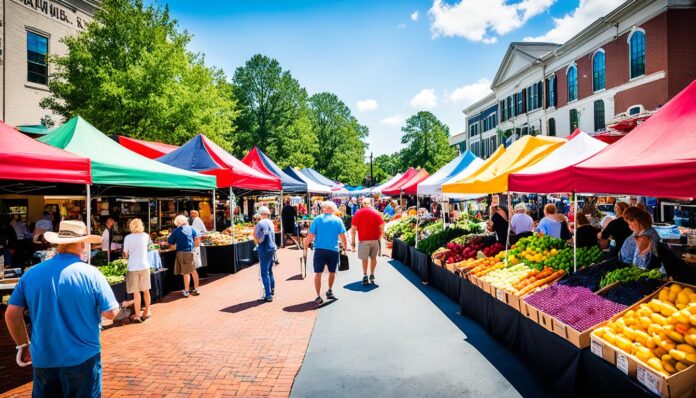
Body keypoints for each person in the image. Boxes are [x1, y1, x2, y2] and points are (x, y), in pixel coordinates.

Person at [5, 220, 120, 396]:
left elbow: (11, 314)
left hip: (44, 358)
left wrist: (23, 345)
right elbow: (111, 313)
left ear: (59, 244)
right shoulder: (91, 273)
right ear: (81, 244)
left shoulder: (31, 273)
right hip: (83, 357)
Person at [304, 201, 347, 305]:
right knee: (332, 272)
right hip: (333, 250)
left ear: (326, 208)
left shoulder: (317, 219)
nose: (322, 208)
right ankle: (329, 290)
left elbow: (311, 235)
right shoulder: (338, 220)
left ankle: (318, 296)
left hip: (319, 249)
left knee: (318, 273)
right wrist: (345, 248)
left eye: (323, 207)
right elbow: (342, 236)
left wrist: (305, 246)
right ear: (332, 209)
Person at [122, 218, 152, 322]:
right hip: (144, 265)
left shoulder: (128, 238)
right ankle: (147, 311)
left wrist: (126, 257)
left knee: (136, 292)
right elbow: (148, 248)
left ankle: (137, 315)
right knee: (146, 290)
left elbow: (126, 254)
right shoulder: (146, 236)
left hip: (133, 266)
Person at [351, 198, 384, 285]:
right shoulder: (376, 212)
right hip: (375, 239)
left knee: (364, 259)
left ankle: (365, 275)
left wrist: (353, 242)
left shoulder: (358, 213)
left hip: (363, 240)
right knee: (373, 258)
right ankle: (372, 274)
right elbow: (382, 225)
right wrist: (382, 235)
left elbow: (353, 229)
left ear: (362, 204)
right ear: (370, 204)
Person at [168, 215, 201, 297]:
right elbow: (197, 240)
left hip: (182, 253)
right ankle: (196, 288)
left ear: (178, 222)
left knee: (186, 272)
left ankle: (186, 290)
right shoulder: (192, 229)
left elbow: (170, 241)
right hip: (191, 252)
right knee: (193, 271)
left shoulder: (177, 231)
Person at [254, 206, 277, 302]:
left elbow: (255, 235)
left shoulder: (260, 223)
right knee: (270, 270)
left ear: (261, 214)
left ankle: (268, 295)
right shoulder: (270, 222)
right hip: (272, 248)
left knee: (264, 272)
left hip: (264, 248)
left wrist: (258, 242)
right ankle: (272, 290)